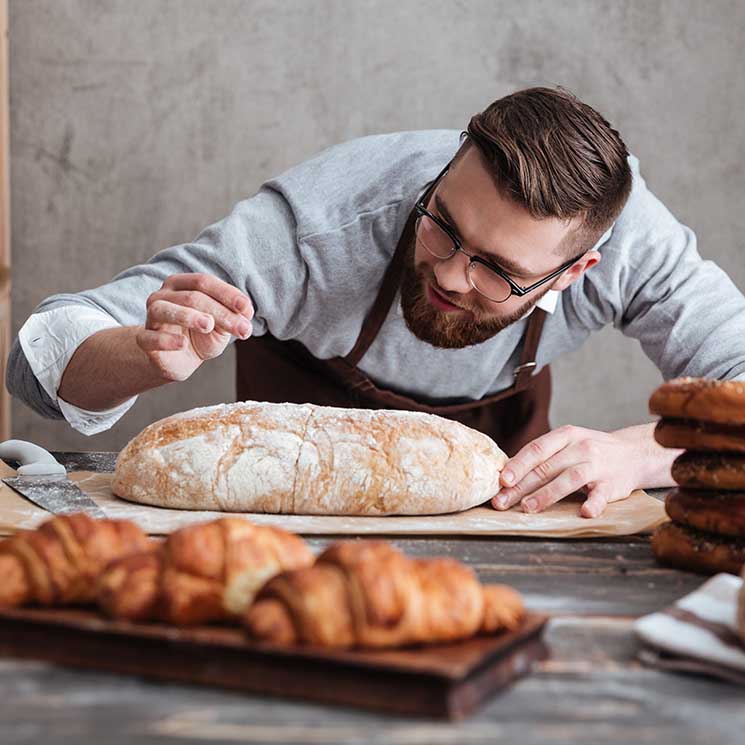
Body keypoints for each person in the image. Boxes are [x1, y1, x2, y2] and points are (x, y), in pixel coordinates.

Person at [7, 87, 745, 518]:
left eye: (496, 270)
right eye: (443, 227)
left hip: (500, 515)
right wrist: (140, 356)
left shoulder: (634, 244)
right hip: (282, 506)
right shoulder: (321, 225)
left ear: (574, 271)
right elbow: (37, 362)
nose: (453, 276)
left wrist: (641, 450)